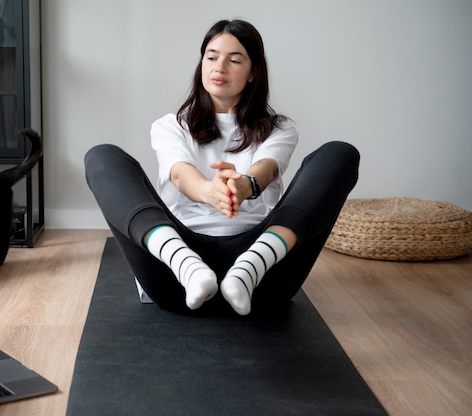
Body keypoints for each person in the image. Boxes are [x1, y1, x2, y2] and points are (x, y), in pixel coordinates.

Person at [85, 19, 359, 316]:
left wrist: (244, 186)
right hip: (176, 274)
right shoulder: (170, 126)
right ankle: (188, 266)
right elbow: (179, 173)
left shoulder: (279, 129)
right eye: (212, 57)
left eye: (234, 60)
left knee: (340, 154)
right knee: (101, 157)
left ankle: (249, 268)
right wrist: (209, 191)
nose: (220, 67)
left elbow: (266, 168)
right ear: (201, 64)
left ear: (254, 72)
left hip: (262, 275)